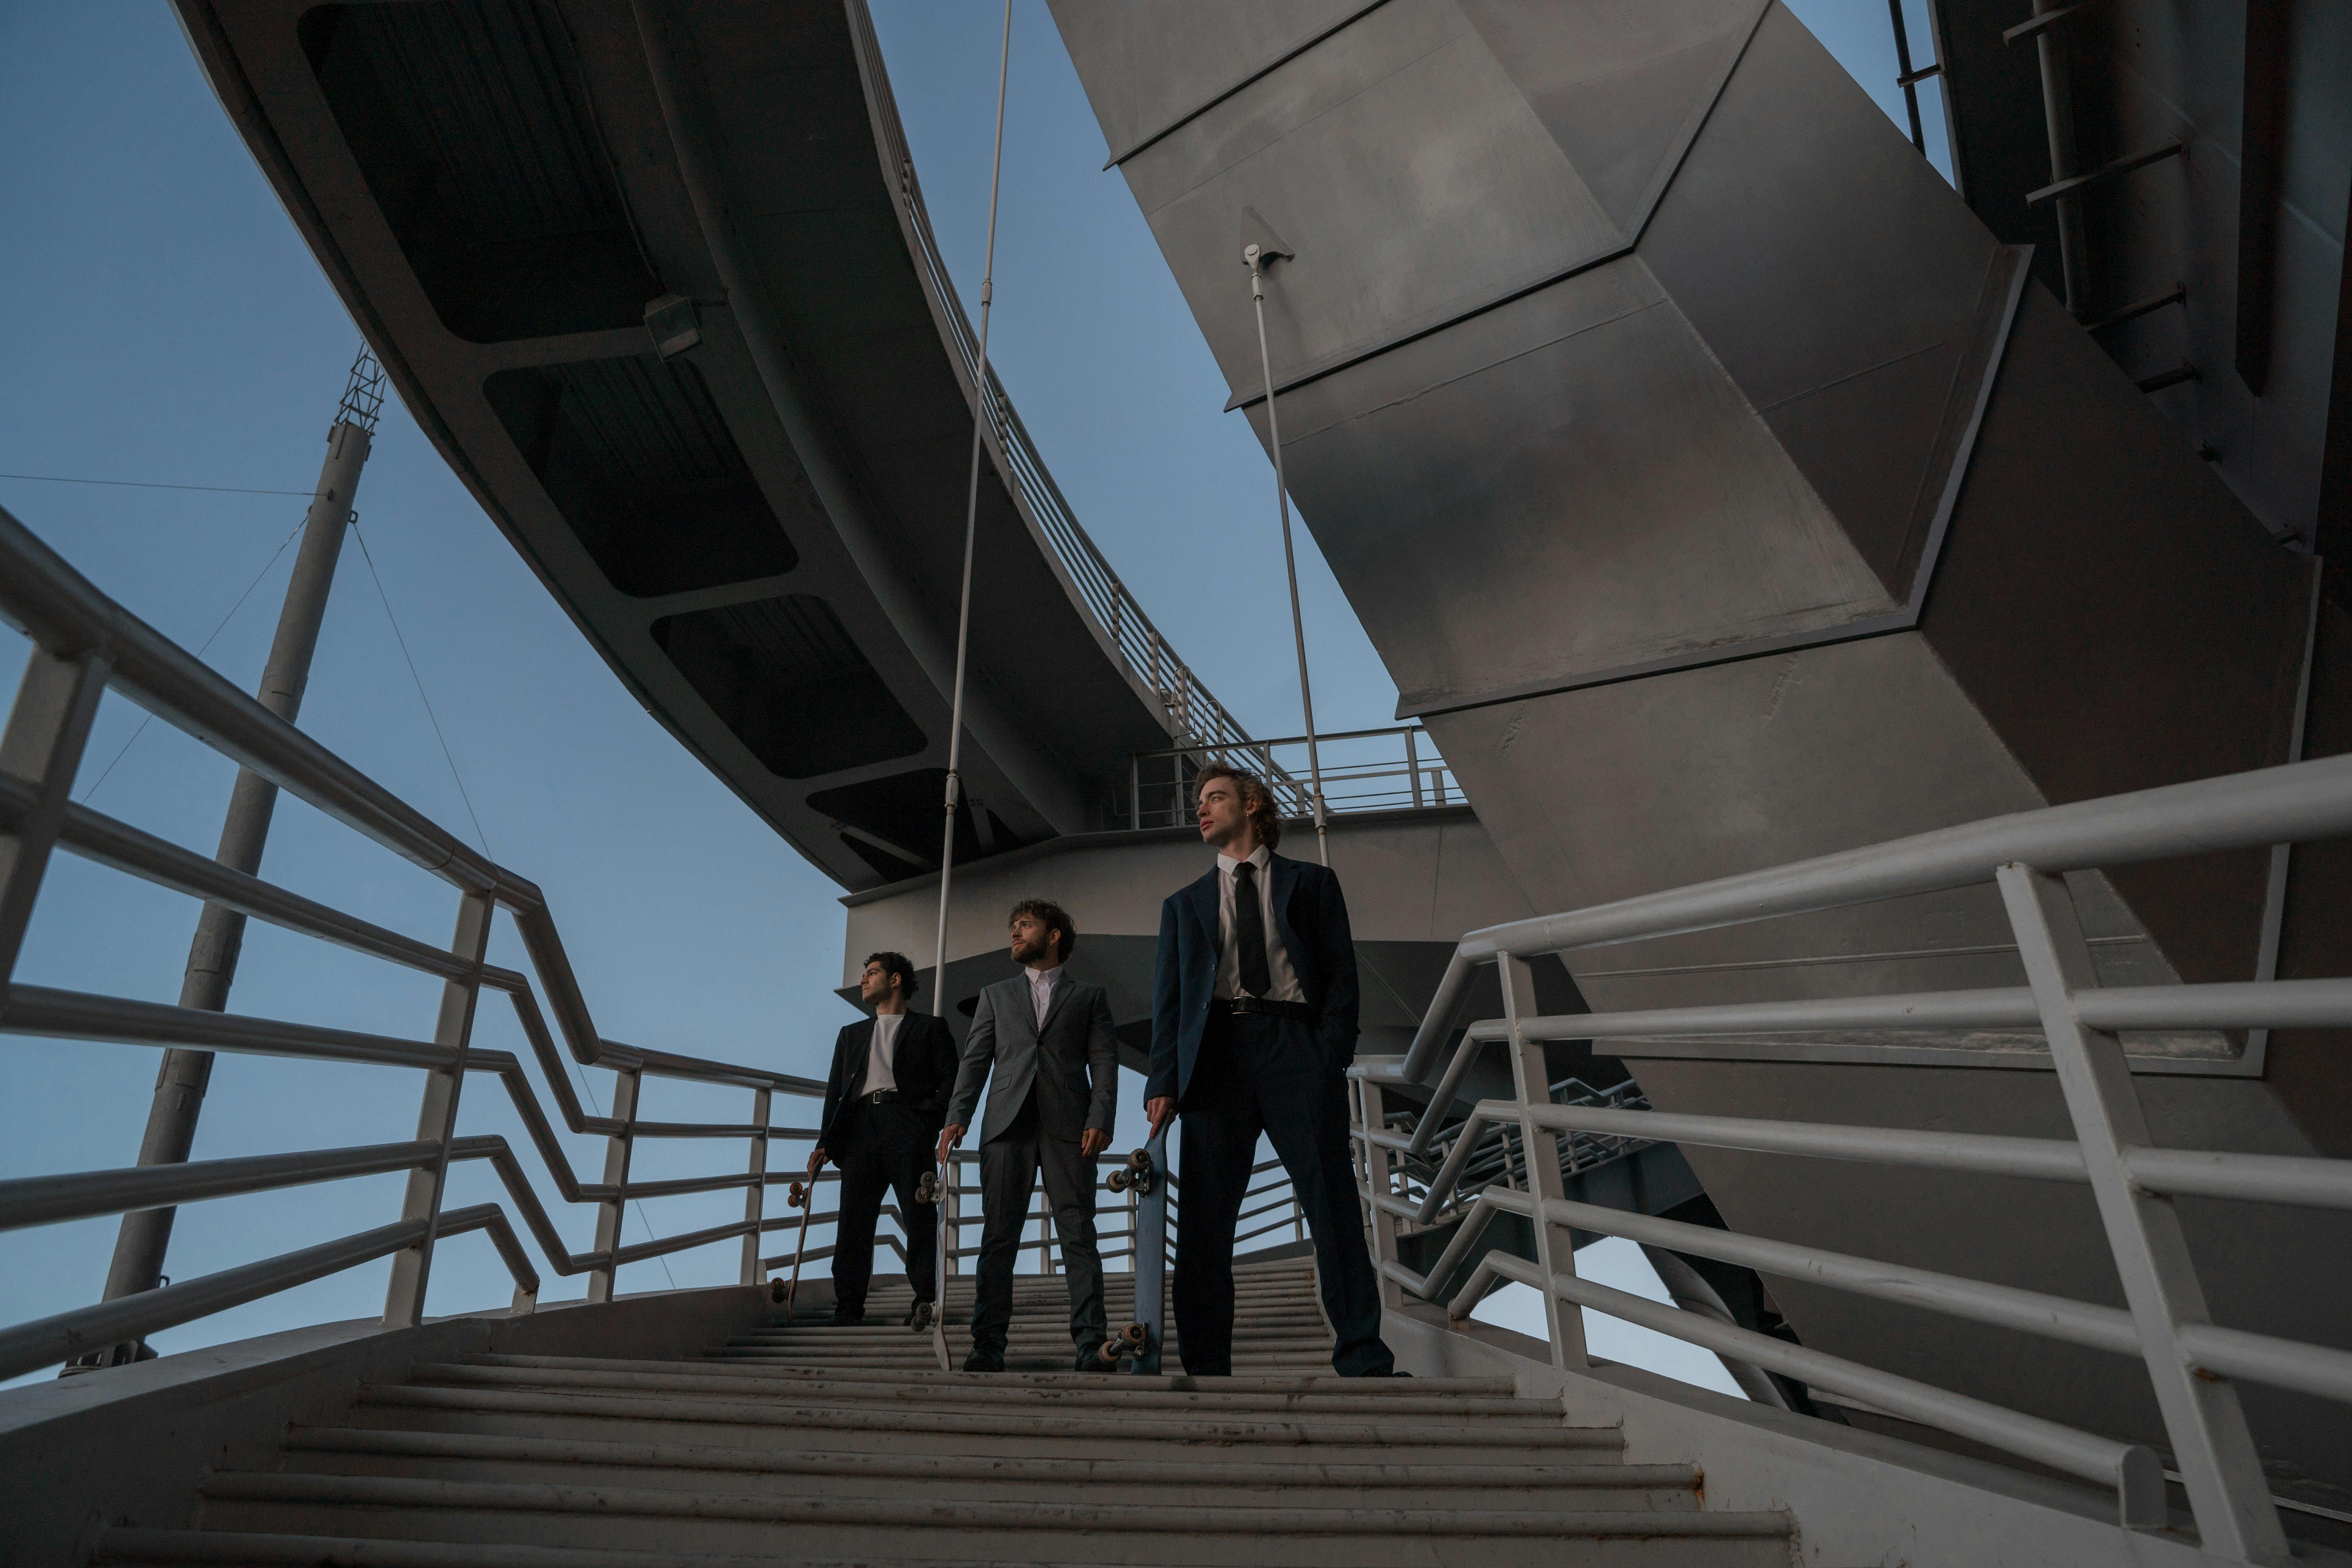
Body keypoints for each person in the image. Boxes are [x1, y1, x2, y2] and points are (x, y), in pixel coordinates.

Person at [1147, 764, 1398, 1377]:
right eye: (1199, 802)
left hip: (1294, 1048)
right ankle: (1207, 1369)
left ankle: (1363, 1358)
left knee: (1332, 1205)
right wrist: (1162, 1082)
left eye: (1215, 798)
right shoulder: (1183, 906)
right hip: (1214, 1060)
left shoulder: (1312, 884)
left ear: (1252, 805)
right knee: (1205, 1224)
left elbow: (1341, 975)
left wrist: (1328, 1052)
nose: (1201, 810)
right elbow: (1170, 1004)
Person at [940, 899, 1118, 1372]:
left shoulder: (1090, 997)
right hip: (1005, 1125)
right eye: (1013, 926)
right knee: (999, 1238)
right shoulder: (995, 995)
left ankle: (1091, 1344)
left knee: (1078, 1234)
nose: (1015, 933)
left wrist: (1101, 1116)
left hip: (1070, 1127)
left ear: (1054, 935)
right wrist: (957, 1115)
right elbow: (975, 1060)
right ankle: (988, 1344)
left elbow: (1103, 1062)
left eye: (1025, 925)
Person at [810, 951, 956, 1328]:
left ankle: (925, 1299)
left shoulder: (930, 1028)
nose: (863, 979)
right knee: (853, 1221)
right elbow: (835, 1092)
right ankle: (848, 1308)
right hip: (860, 1128)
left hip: (906, 1125)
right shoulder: (852, 1034)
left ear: (896, 981)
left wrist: (929, 1123)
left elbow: (950, 1082)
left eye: (872, 973)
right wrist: (825, 1142)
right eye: (864, 973)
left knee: (918, 1214)